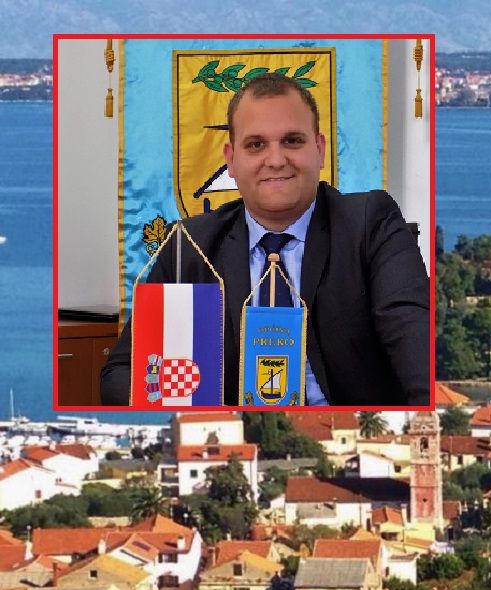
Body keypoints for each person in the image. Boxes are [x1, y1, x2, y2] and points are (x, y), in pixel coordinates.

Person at [100, 72, 430, 406]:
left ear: (319, 150)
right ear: (231, 160)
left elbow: (415, 341)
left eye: (292, 141)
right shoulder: (190, 247)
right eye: (256, 145)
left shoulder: (370, 224)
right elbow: (121, 374)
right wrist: (188, 404)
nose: (275, 160)